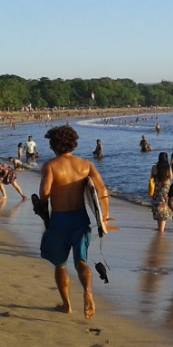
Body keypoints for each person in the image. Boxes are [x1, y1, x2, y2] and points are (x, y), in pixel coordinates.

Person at [37, 125, 110, 319]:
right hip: (80, 218)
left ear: (53, 145)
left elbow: (44, 193)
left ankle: (66, 305)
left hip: (60, 220)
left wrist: (44, 202)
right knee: (81, 262)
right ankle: (87, 292)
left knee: (60, 265)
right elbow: (101, 191)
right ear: (73, 143)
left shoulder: (51, 166)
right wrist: (104, 217)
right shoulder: (86, 165)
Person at [150, 156, 173, 233]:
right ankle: (161, 230)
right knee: (164, 210)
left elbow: (151, 177)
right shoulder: (168, 167)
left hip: (157, 189)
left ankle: (160, 228)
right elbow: (171, 177)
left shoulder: (154, 167)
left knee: (158, 209)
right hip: (166, 190)